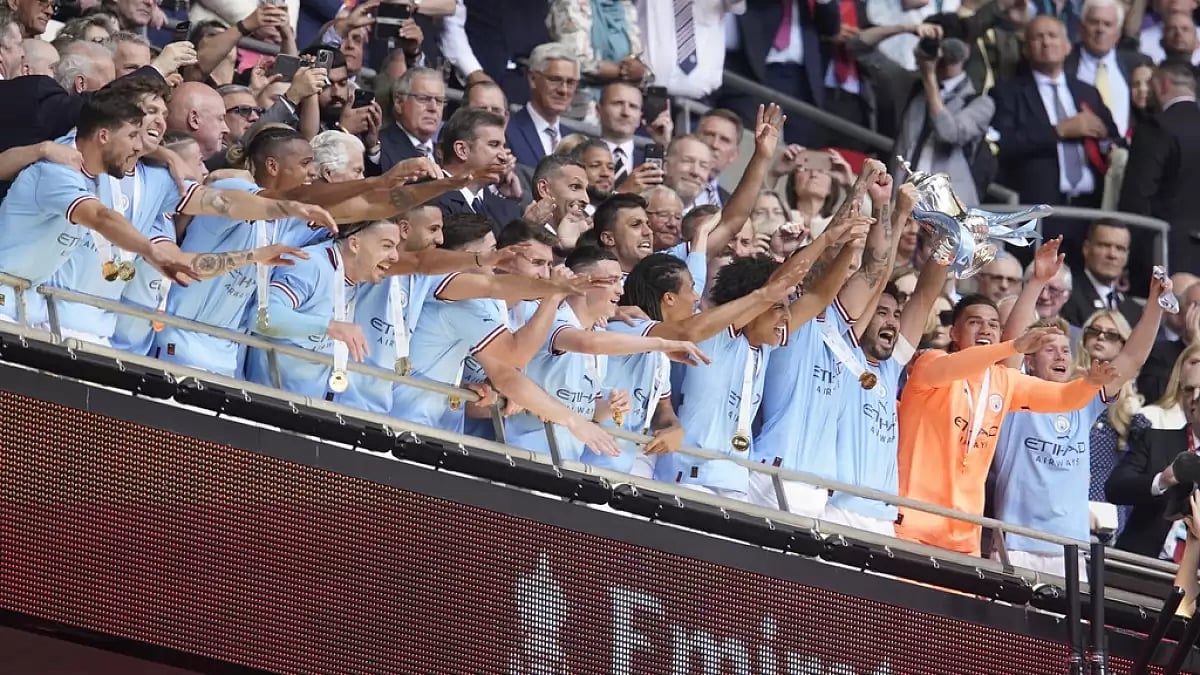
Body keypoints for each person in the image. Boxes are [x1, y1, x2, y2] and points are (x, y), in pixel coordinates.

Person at [657, 213, 869, 500]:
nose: (786, 315)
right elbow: (774, 288)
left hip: (734, 480)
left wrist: (851, 246)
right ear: (756, 306)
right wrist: (827, 239)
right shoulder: (716, 335)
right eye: (778, 307)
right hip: (688, 478)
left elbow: (819, 298)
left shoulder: (763, 344)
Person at [896, 293, 1118, 556]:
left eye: (992, 324)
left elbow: (1062, 398)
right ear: (954, 332)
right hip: (913, 524)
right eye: (974, 322)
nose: (985, 329)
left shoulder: (1004, 381)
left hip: (965, 535)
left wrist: (1089, 384)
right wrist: (1011, 348)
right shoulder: (930, 362)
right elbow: (956, 367)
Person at [991, 251, 1164, 575]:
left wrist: (1154, 304)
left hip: (1070, 550)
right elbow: (1011, 342)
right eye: (1048, 349)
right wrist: (1038, 281)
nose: (1060, 355)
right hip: (1015, 545)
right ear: (1029, 360)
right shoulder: (1012, 393)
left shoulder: (1083, 401)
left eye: (1065, 350)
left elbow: (1132, 359)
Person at [391, 215, 620, 455]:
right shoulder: (459, 297)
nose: (497, 259)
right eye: (492, 252)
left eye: (548, 265)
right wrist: (571, 420)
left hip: (439, 429)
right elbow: (512, 362)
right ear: (467, 256)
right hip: (403, 425)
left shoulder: (493, 303)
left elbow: (502, 374)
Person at [504, 246, 706, 461]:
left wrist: (609, 408)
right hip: (523, 456)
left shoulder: (598, 336)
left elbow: (589, 412)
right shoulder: (553, 320)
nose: (620, 291)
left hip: (564, 462)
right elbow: (586, 343)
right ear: (580, 282)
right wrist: (663, 344)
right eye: (611, 281)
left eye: (620, 281)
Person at [990, 15, 1119, 261]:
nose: (1046, 42)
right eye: (1038, 37)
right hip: (1037, 212)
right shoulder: (1007, 93)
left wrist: (1109, 145)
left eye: (1053, 36)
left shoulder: (1087, 92)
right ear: (1026, 49)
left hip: (1087, 209)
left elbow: (1111, 137)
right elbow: (1003, 145)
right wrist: (1058, 131)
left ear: (1068, 45)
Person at [1107, 353, 1200, 559]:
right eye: (1189, 390)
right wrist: (1161, 481)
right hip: (1143, 566)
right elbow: (1114, 489)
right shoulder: (1154, 439)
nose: (1195, 398)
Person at [1118, 62, 1200, 277]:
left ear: (1162, 84)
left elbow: (1137, 197)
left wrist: (1127, 255)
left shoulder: (1155, 128)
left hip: (1164, 254)